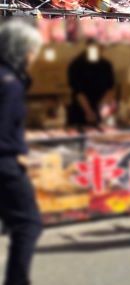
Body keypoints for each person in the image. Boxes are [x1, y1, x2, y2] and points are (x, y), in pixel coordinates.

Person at [0, 20, 43, 285]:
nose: (32, 57)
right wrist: (18, 153)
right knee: (29, 223)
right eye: (31, 51)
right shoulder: (10, 83)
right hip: (5, 164)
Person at [66, 39, 115, 129]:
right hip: (80, 114)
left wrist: (101, 109)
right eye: (99, 46)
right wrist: (89, 112)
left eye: (102, 46)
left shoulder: (106, 65)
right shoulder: (76, 64)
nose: (102, 48)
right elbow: (78, 92)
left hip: (100, 113)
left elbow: (110, 89)